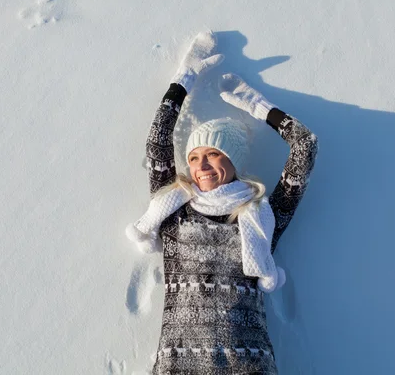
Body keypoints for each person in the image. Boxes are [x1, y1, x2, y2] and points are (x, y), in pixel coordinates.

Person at [126, 31, 318, 374]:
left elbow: (304, 147)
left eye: (213, 153)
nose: (202, 165)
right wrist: (184, 78)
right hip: (179, 365)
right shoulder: (173, 210)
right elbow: (158, 142)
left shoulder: (261, 216)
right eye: (195, 157)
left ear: (234, 161)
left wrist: (255, 104)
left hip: (249, 364)